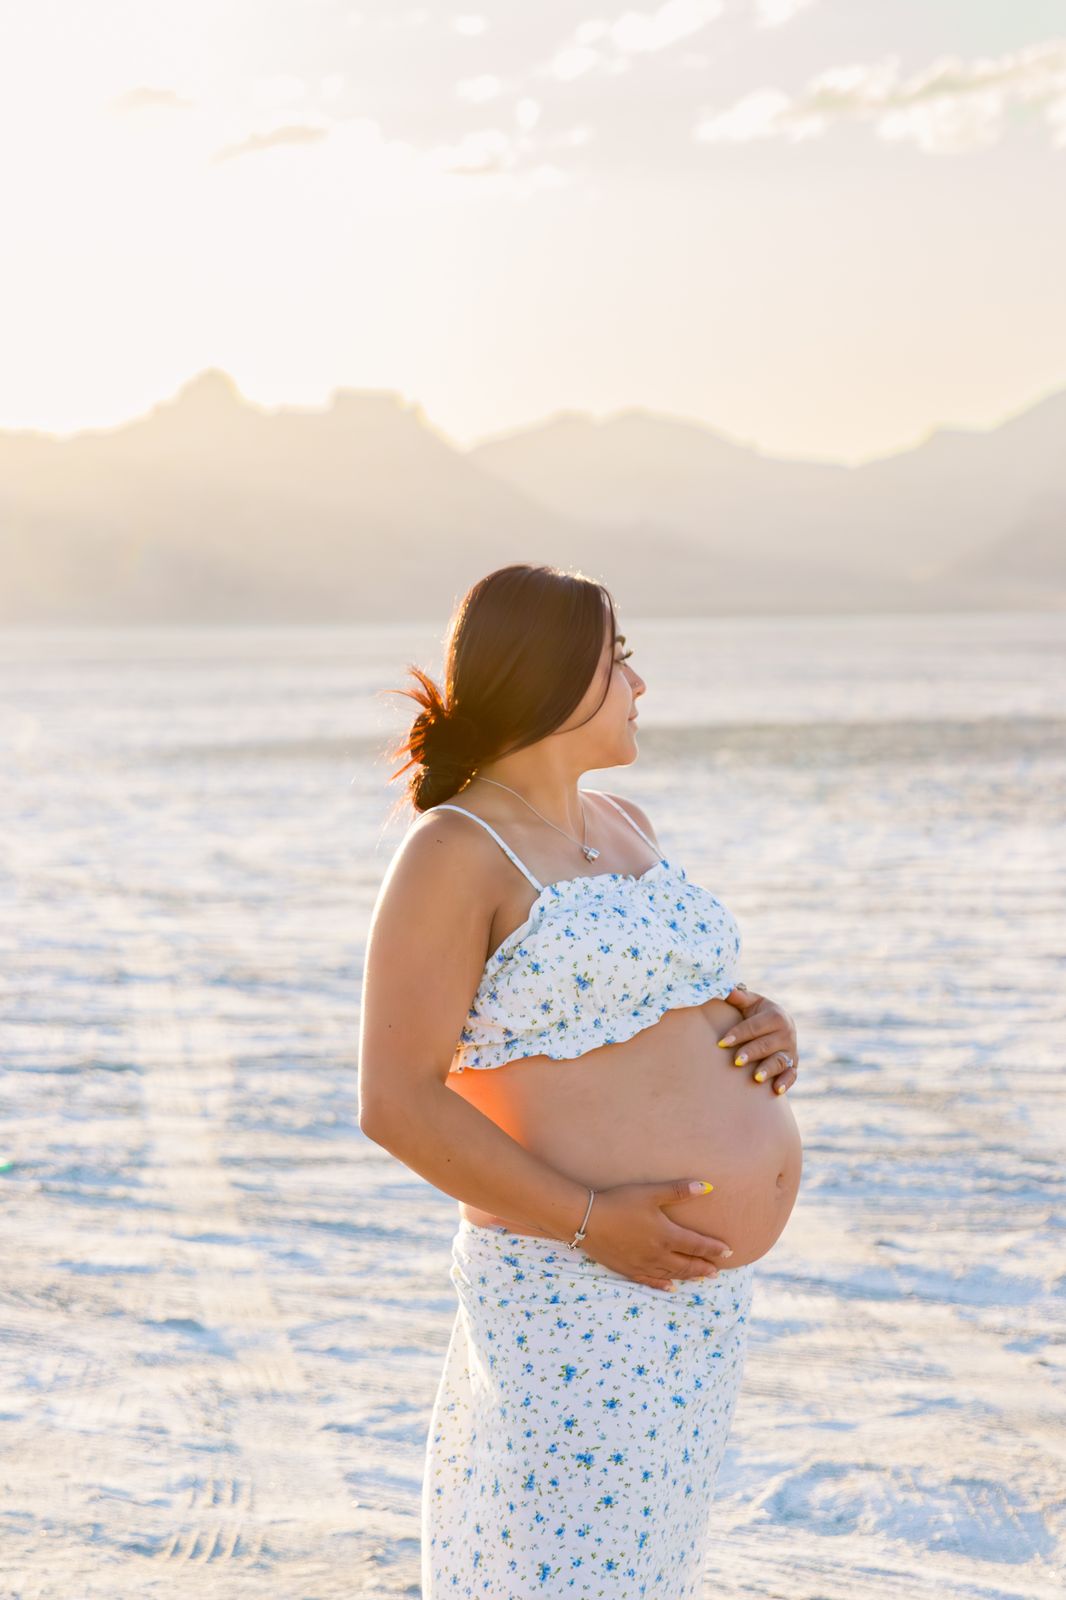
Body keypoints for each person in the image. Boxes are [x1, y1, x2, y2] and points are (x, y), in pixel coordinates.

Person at [358, 562, 804, 1598]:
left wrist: (764, 1021)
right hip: (574, 1295)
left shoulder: (626, 823)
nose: (641, 685)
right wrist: (589, 1218)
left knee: (643, 1574)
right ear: (554, 677)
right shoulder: (453, 851)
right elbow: (396, 1098)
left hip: (691, 1307)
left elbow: (667, 1000)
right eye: (620, 661)